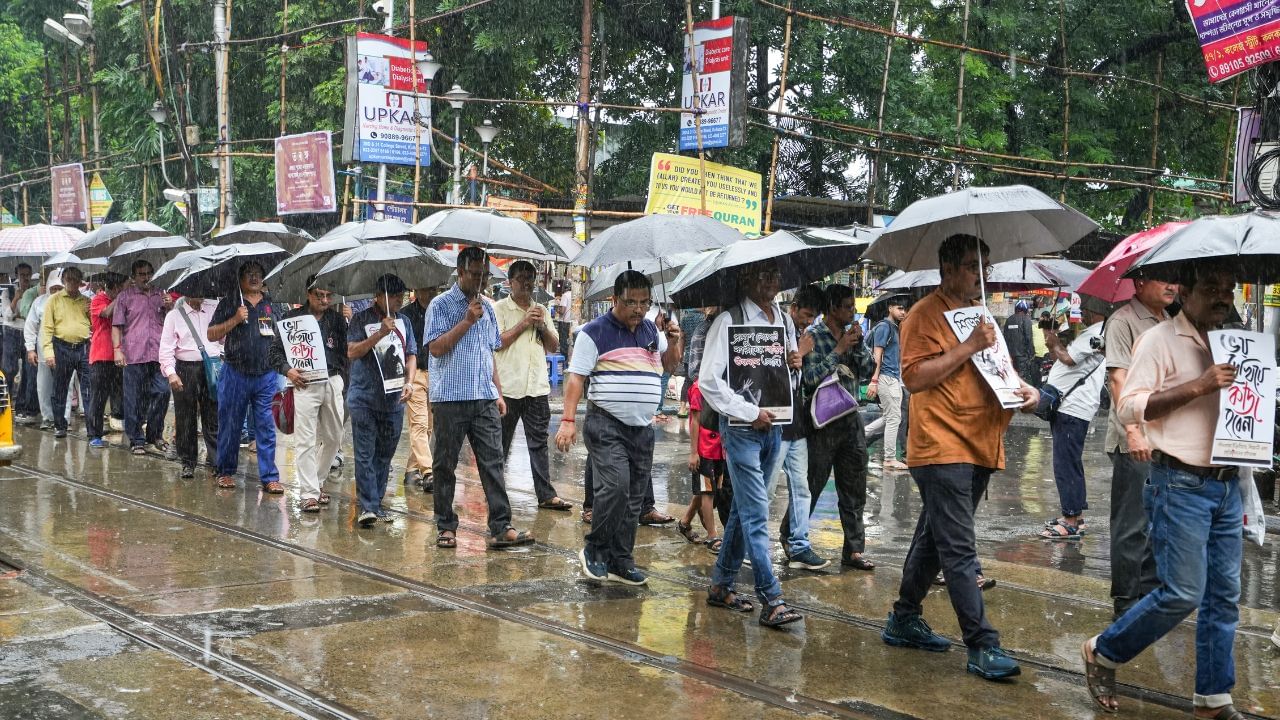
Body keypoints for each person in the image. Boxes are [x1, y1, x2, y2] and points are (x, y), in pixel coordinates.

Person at [1081, 261, 1244, 719]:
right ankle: (1104, 651)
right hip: (1180, 484)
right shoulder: (1159, 340)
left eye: (1228, 289)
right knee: (1183, 593)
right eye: (1211, 287)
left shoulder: (1235, 343)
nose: (1222, 297)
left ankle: (1213, 698)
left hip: (1228, 485)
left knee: (1223, 596)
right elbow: (1131, 406)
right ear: (1185, 292)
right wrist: (1197, 386)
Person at [881, 234, 1037, 681]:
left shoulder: (983, 315)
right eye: (972, 266)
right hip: (941, 446)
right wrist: (967, 345)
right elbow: (913, 378)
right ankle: (982, 644)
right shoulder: (923, 315)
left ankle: (904, 617)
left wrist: (1023, 390)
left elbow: (999, 369)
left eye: (984, 267)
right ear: (947, 269)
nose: (981, 275)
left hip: (979, 443)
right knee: (959, 547)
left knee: (935, 538)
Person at [556, 270, 681, 585]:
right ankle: (595, 549)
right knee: (616, 487)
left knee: (635, 498)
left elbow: (670, 366)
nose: (638, 309)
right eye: (630, 302)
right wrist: (568, 421)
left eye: (644, 302)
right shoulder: (594, 332)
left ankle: (620, 559)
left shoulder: (653, 330)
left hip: (642, 427)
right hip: (605, 423)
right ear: (615, 299)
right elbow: (575, 379)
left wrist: (675, 342)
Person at [699, 260, 805, 628]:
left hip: (774, 427)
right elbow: (709, 383)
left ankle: (721, 585)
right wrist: (747, 411)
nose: (770, 280)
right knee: (758, 511)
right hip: (742, 429)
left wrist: (796, 363)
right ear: (746, 278)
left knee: (746, 511)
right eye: (762, 274)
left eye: (774, 273)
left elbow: (788, 379)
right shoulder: (728, 322)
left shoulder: (785, 321)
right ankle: (772, 598)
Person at [425, 246, 533, 550]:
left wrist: (497, 392)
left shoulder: (488, 306)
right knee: (444, 464)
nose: (481, 280)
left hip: (483, 396)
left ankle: (501, 526)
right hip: (449, 397)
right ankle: (446, 525)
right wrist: (466, 321)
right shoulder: (441, 305)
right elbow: (435, 348)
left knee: (493, 463)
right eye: (475, 274)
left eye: (485, 274)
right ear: (460, 272)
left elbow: (490, 352)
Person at [1103, 274, 1176, 617]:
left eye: (1176, 278)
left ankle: (1149, 595)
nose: (1172, 285)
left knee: (1160, 519)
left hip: (1165, 438)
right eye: (1164, 278)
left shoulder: (1171, 320)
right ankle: (1126, 601)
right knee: (1132, 523)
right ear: (1140, 281)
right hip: (1136, 439)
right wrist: (1133, 430)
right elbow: (1119, 379)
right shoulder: (1123, 321)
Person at [801, 283, 877, 571]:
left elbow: (867, 370)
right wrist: (838, 350)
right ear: (832, 307)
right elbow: (809, 379)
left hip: (850, 420)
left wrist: (855, 346)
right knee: (813, 484)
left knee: (855, 486)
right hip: (822, 423)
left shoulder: (854, 335)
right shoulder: (814, 336)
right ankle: (793, 537)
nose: (852, 311)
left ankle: (854, 550)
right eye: (847, 306)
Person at [495, 260, 571, 511]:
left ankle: (546, 494)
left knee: (538, 443)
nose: (527, 282)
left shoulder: (542, 310)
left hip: (536, 388)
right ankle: (495, 494)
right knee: (500, 445)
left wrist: (540, 325)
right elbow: (497, 343)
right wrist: (524, 323)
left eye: (531, 277)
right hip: (507, 387)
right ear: (510, 282)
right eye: (522, 277)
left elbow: (553, 346)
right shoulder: (499, 309)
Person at [270, 279, 347, 512]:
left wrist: (350, 322)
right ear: (308, 294)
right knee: (305, 440)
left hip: (332, 380)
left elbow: (348, 350)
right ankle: (309, 493)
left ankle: (318, 479)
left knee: (335, 437)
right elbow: (273, 352)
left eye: (328, 296)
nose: (324, 301)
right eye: (319, 295)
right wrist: (288, 371)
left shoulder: (337, 319)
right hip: (303, 383)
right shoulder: (291, 319)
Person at [208, 261, 283, 493]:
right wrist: (235, 320)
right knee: (230, 425)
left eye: (258, 273)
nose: (254, 278)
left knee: (266, 427)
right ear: (240, 279)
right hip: (235, 374)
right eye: (249, 274)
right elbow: (211, 334)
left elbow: (283, 335)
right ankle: (226, 471)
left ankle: (269, 476)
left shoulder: (273, 304)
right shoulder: (230, 302)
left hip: (266, 375)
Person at [1037, 300, 1108, 540]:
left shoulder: (1096, 333)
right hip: (1073, 407)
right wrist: (1050, 335)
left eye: (1087, 306)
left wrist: (1055, 341)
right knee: (1071, 464)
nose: (1084, 311)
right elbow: (1065, 360)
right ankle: (1075, 516)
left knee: (1065, 465)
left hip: (1073, 408)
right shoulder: (1096, 334)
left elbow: (1067, 358)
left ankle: (1070, 522)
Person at [346, 274, 414, 526]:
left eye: (401, 296)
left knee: (385, 455)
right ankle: (367, 506)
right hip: (364, 398)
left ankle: (376, 502)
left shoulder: (404, 321)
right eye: (395, 296)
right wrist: (379, 334)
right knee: (365, 453)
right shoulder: (360, 319)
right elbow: (352, 352)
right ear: (380, 296)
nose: (399, 301)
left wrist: (409, 381)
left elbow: (411, 355)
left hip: (394, 400)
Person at [773, 284, 830, 570]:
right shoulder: (777, 328)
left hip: (797, 422)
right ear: (793, 307)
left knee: (801, 486)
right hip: (775, 421)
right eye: (806, 314)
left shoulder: (802, 333)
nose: (809, 321)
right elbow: (766, 371)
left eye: (813, 317)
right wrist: (798, 352)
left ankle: (799, 545)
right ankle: (747, 544)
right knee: (766, 488)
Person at [112, 260, 173, 455]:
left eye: (148, 273)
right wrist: (117, 349)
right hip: (134, 354)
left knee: (163, 392)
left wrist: (169, 307)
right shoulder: (125, 297)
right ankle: (136, 439)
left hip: (158, 353)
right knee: (134, 399)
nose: (146, 277)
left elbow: (171, 321)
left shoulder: (161, 295)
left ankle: (155, 435)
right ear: (133, 276)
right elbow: (116, 326)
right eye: (141, 274)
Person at [159, 293, 221, 477]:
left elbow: (223, 338)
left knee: (213, 414)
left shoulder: (213, 309)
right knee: (185, 416)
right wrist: (171, 373)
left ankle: (216, 460)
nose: (201, 295)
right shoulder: (174, 316)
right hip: (186, 368)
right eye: (197, 291)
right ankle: (188, 461)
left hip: (212, 366)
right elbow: (166, 348)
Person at [39, 267, 91, 440]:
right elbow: (46, 328)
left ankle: (93, 429)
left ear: (80, 282)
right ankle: (60, 425)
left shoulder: (86, 301)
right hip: (61, 347)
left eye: (76, 280)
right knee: (60, 389)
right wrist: (48, 353)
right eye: (68, 279)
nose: (72, 283)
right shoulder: (54, 300)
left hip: (83, 347)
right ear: (63, 281)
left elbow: (93, 324)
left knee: (88, 389)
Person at [399, 285, 439, 493]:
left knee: (429, 426)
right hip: (414, 374)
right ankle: (428, 471)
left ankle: (411, 469)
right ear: (417, 290)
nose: (431, 293)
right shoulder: (405, 315)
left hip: (436, 372)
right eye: (427, 289)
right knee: (419, 424)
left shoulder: (440, 310)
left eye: (434, 289)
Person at [865, 295, 909, 472]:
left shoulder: (894, 328)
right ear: (890, 308)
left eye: (904, 309)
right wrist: (874, 381)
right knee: (893, 418)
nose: (903, 312)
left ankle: (860, 436)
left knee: (890, 416)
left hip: (893, 378)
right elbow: (878, 355)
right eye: (899, 308)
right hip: (885, 377)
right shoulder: (884, 327)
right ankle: (889, 458)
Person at [678, 377, 721, 550]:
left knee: (707, 490)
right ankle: (712, 535)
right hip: (705, 450)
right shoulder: (698, 388)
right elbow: (694, 420)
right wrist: (694, 453)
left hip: (720, 448)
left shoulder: (721, 385)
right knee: (707, 492)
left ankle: (685, 522)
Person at [87, 275, 125, 448]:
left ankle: (114, 425)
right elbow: (106, 312)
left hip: (119, 356)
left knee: (119, 395)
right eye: (122, 287)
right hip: (101, 355)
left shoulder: (121, 299)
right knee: (98, 397)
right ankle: (94, 434)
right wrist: (120, 298)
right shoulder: (98, 299)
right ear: (115, 287)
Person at [24, 272, 62, 429]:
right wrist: (30, 349)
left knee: (64, 384)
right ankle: (47, 417)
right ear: (47, 288)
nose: (56, 292)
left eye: (59, 288)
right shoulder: (39, 303)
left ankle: (62, 418)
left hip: (64, 350)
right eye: (53, 288)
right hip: (43, 350)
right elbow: (30, 326)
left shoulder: (69, 302)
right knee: (44, 384)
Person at [4, 263, 33, 420]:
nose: (25, 278)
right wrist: (16, 298)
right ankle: (6, 403)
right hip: (11, 332)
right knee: (9, 369)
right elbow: (7, 316)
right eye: (22, 275)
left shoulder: (34, 291)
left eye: (28, 274)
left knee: (28, 371)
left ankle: (22, 406)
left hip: (27, 332)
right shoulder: (8, 292)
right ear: (16, 275)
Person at [1002, 300, 1036, 387]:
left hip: (1010, 355)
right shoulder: (1026, 319)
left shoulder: (1009, 320)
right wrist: (1032, 353)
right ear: (1025, 309)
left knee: (1011, 376)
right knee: (1022, 378)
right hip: (1022, 355)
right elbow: (1028, 337)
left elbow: (1005, 337)